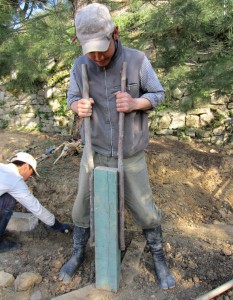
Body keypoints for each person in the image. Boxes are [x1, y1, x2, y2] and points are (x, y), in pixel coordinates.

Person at [59, 3, 176, 290]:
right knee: (81, 209)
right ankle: (78, 253)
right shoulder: (80, 65)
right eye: (91, 50)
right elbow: (71, 97)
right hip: (94, 152)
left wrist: (137, 103)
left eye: (102, 48)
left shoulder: (137, 61)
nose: (97, 56)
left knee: (146, 211)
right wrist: (78, 105)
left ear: (116, 33)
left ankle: (158, 257)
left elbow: (158, 93)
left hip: (131, 153)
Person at [0, 152, 70, 253]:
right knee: (10, 199)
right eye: (31, 173)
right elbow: (35, 208)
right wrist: (58, 226)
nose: (29, 178)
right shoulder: (15, 179)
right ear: (25, 166)